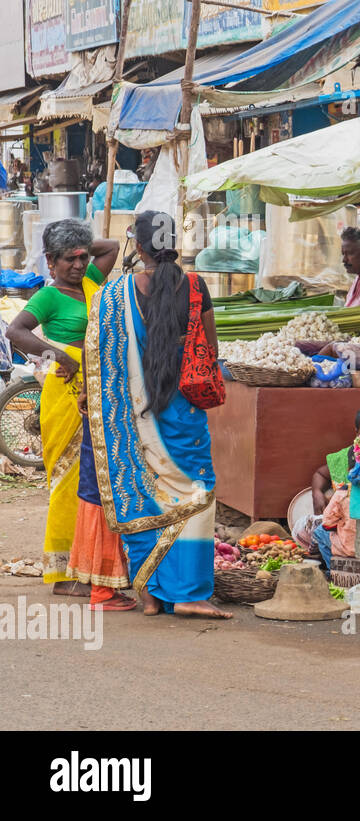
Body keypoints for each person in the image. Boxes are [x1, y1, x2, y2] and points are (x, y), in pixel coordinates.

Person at [83, 210, 229, 619]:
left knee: (144, 494)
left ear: (138, 244)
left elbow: (100, 364)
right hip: (182, 414)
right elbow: (210, 352)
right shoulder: (196, 287)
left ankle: (150, 593)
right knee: (196, 494)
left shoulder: (114, 293)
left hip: (133, 417)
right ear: (174, 244)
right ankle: (189, 594)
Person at [4, 219, 119, 595]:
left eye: (83, 257)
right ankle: (63, 576)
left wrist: (77, 237)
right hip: (65, 394)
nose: (78, 264)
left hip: (95, 394)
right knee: (68, 483)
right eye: (68, 259)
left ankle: (87, 565)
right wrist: (62, 357)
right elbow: (15, 332)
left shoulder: (90, 282)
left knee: (93, 483)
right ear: (50, 262)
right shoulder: (49, 296)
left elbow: (112, 246)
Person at [307, 403, 360, 570]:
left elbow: (328, 521)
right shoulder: (345, 457)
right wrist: (317, 493)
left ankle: (334, 573)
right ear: (356, 432)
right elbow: (320, 474)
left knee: (320, 533)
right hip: (358, 531)